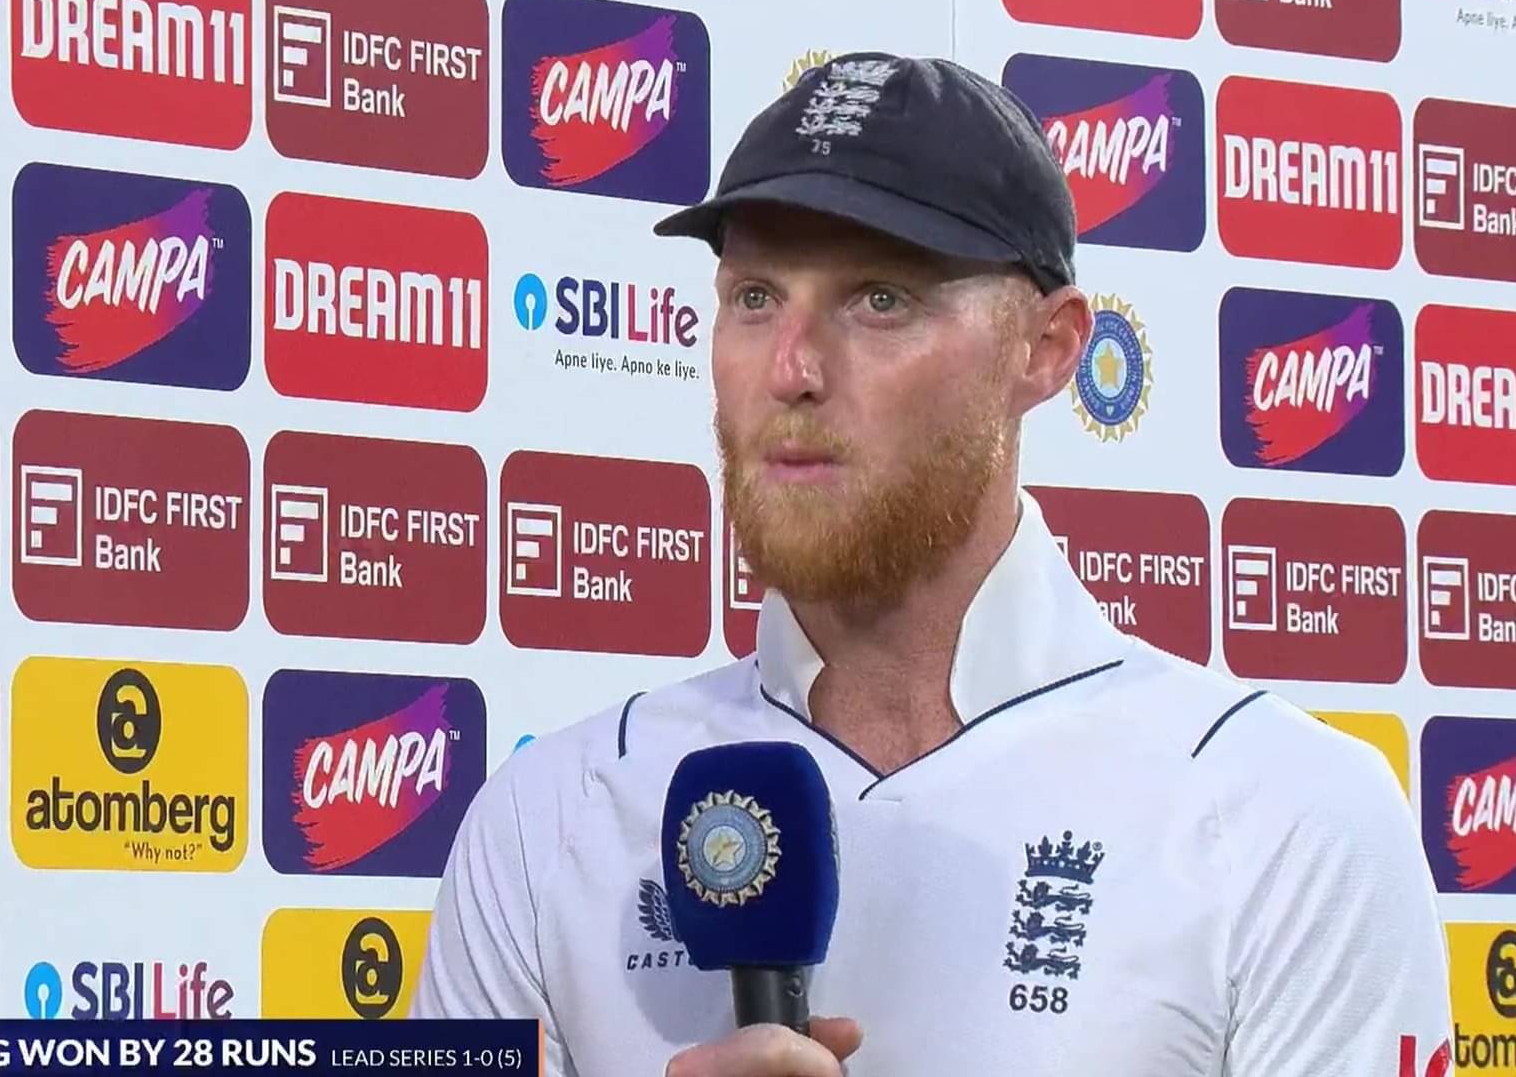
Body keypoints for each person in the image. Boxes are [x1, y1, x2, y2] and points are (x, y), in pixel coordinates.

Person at [411, 52, 1452, 1076]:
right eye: (755, 297)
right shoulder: (544, 820)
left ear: (1047, 349)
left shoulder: (1286, 814)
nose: (792, 368)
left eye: (880, 301)